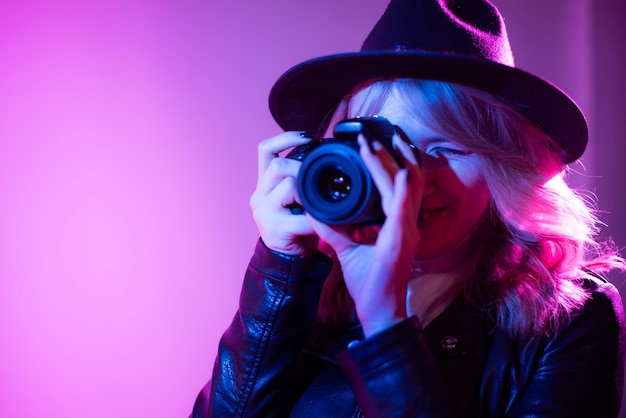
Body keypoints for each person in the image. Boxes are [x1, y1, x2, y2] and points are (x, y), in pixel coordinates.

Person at [191, 0, 626, 416]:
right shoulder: (311, 285)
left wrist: (386, 325)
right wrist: (280, 267)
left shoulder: (569, 321)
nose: (411, 180)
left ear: (505, 166)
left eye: (448, 149)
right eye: (388, 150)